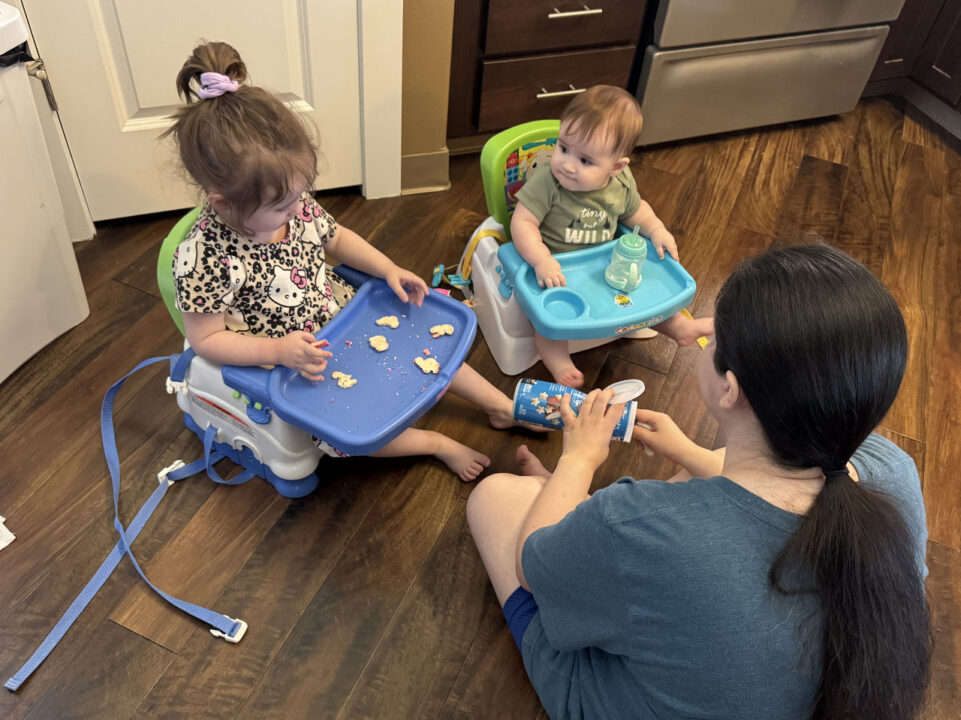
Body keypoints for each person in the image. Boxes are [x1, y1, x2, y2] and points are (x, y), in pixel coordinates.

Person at [467, 244, 931, 719]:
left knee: (497, 497)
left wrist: (577, 460)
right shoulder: (892, 469)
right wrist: (687, 452)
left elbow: (534, 565)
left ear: (731, 389)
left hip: (626, 688)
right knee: (709, 468)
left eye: (714, 340)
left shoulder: (634, 522)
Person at [166, 41, 533, 482]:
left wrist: (388, 269)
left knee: (425, 347)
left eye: (299, 196)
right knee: (348, 434)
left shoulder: (292, 202)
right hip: (294, 359)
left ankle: (500, 406)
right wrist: (278, 351)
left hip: (341, 314)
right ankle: (436, 444)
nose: (297, 209)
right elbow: (206, 339)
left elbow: (337, 238)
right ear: (223, 205)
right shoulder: (203, 257)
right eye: (282, 206)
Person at [510, 85, 715, 388]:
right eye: (563, 148)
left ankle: (679, 327)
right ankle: (559, 363)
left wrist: (657, 229)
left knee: (645, 297)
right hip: (560, 269)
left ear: (616, 167)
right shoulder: (548, 182)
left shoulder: (620, 183)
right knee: (548, 320)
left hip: (604, 263)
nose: (567, 164)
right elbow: (522, 222)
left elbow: (636, 212)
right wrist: (541, 259)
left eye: (585, 160)